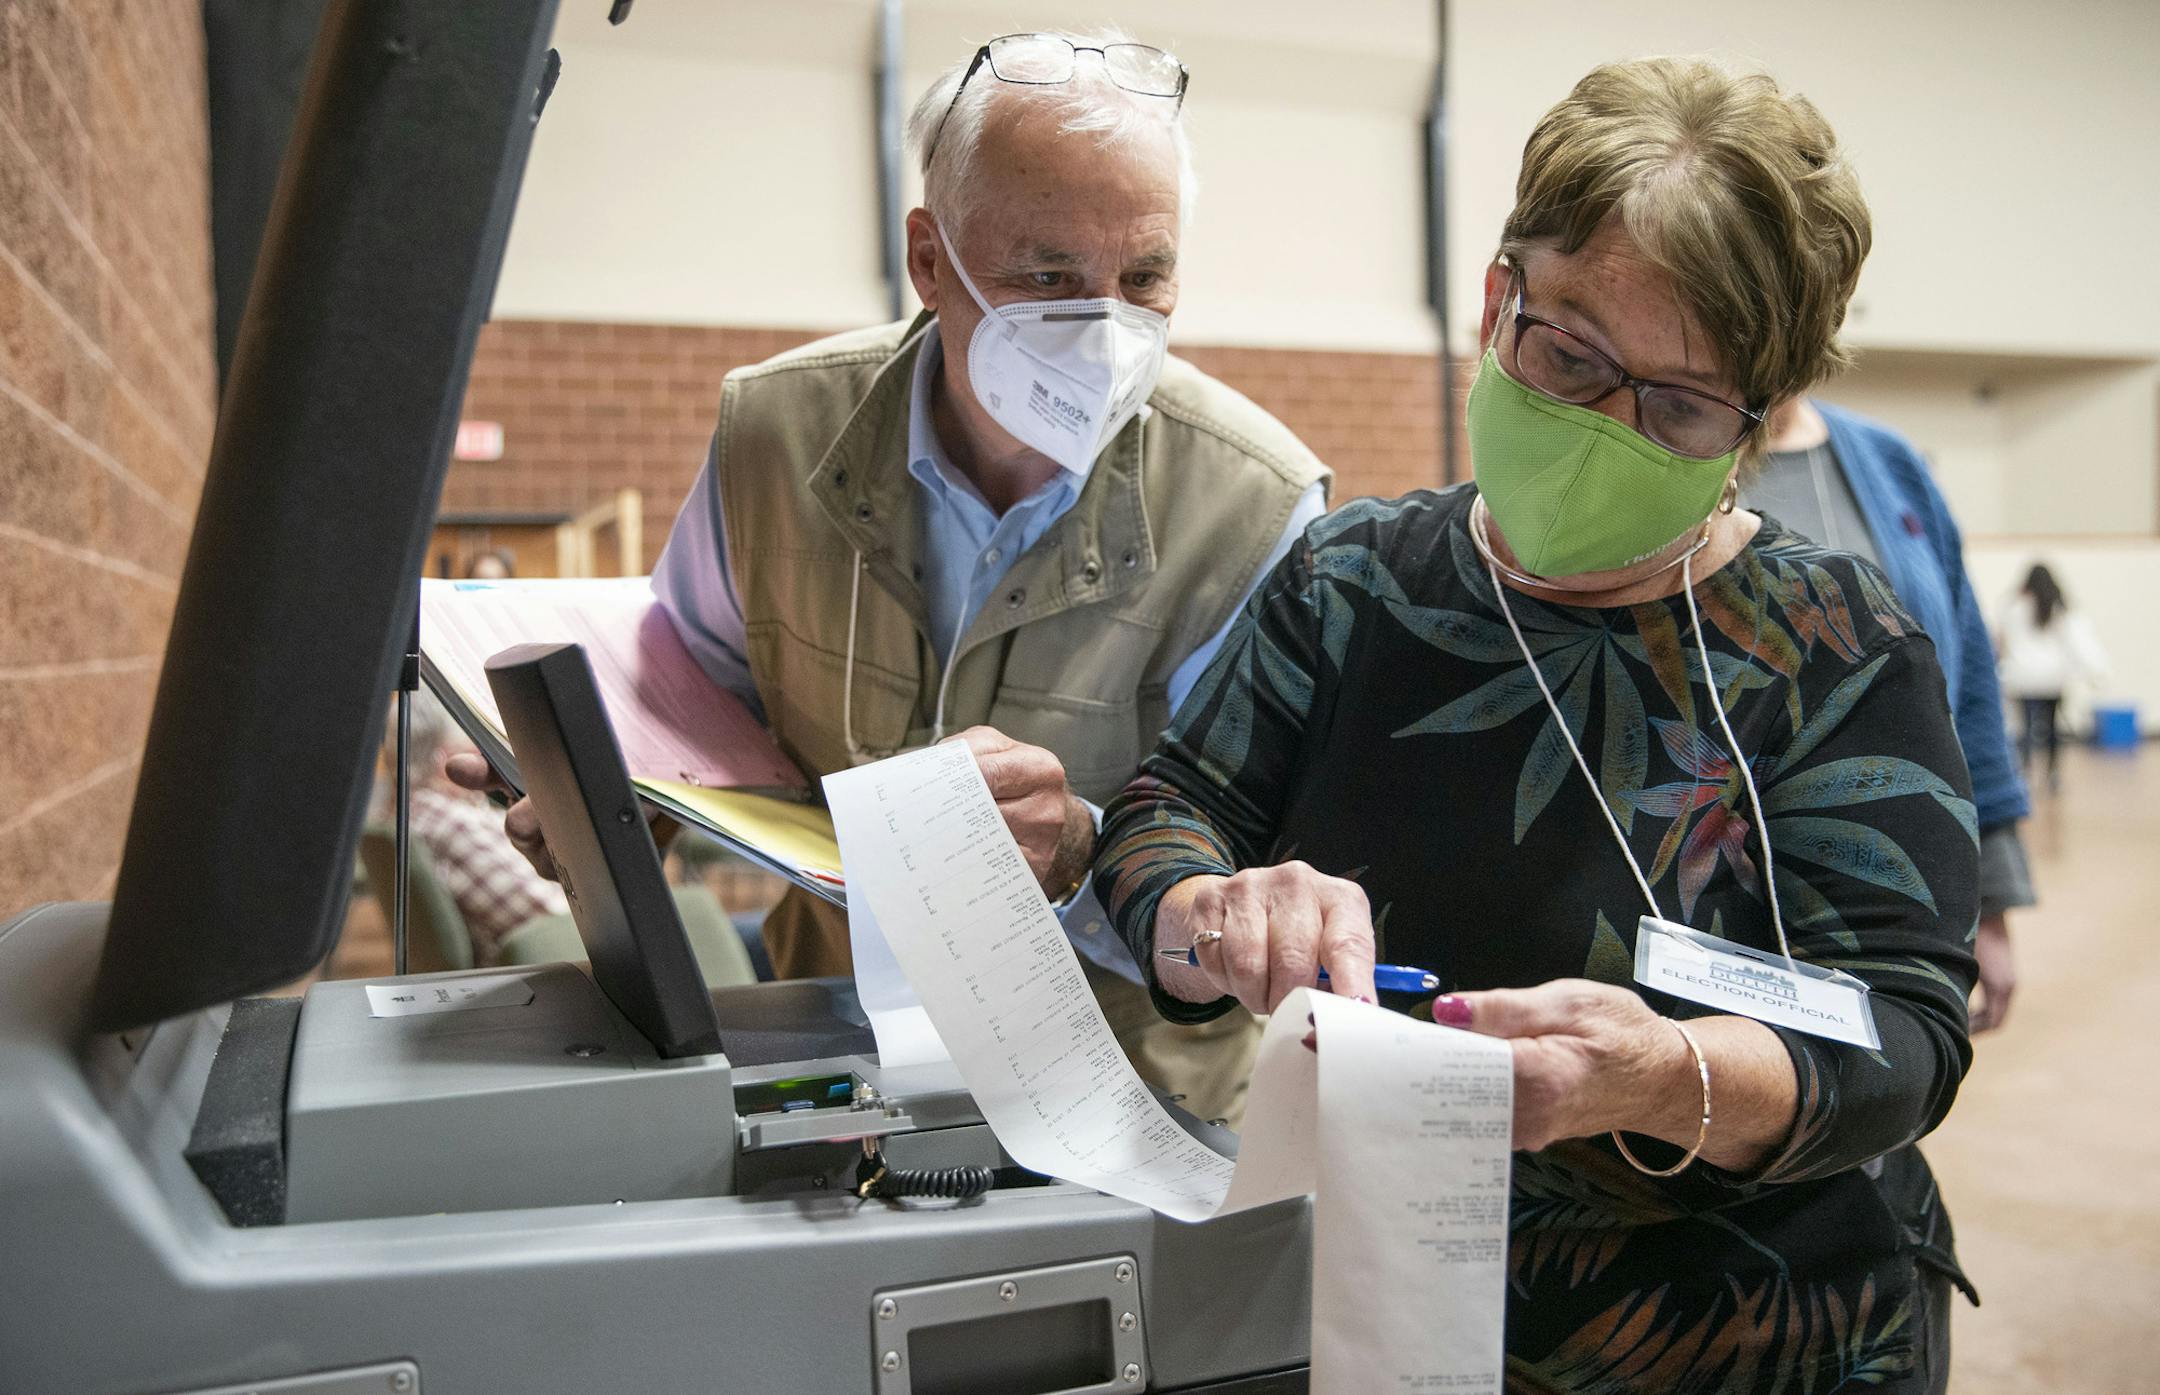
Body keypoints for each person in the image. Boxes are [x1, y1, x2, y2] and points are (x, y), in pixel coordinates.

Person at [1096, 58, 1977, 1392]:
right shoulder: (1357, 583)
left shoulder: (1834, 648)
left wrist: (1662, 1072)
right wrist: (1211, 907)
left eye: (1677, 404)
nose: (1597, 425)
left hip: (1757, 1335)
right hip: (1379, 1306)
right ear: (1498, 297)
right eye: (1567, 352)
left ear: (1758, 424)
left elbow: (1904, 1030)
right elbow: (1164, 812)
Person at [451, 28, 1329, 1125]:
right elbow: (695, 695)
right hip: (829, 1058)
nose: (1102, 326)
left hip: (1117, 1098)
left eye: (1144, 276)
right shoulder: (775, 434)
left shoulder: (1254, 506)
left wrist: (1085, 853)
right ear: (929, 257)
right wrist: (621, 798)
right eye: (1047, 275)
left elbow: (1250, 877)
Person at [1747, 401, 2030, 1029]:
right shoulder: (1672, 451)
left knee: (1894, 1099)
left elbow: (1968, 675)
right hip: (1735, 900)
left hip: (1906, 892)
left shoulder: (1888, 458)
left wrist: (1991, 898)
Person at [1996, 563, 2109, 792]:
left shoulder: (2014, 606)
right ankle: (2052, 774)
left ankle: (2025, 772)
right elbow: (2078, 642)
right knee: (2052, 728)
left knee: (2026, 727)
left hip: (2023, 677)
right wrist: (2094, 671)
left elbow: (2001, 639)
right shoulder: (2059, 607)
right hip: (2052, 678)